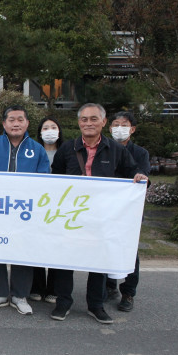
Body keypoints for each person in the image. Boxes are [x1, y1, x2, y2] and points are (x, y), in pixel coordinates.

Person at [50, 103, 148, 324]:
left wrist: (140, 177)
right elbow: (54, 179)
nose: (88, 123)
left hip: (102, 217)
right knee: (65, 261)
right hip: (71, 217)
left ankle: (96, 305)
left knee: (98, 262)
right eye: (84, 119)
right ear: (79, 123)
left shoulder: (117, 150)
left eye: (94, 119)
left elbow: (133, 172)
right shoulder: (67, 148)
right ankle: (63, 303)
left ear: (104, 122)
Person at [0, 105, 50, 316]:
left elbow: (46, 179)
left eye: (20, 119)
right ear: (4, 123)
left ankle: (20, 295)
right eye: (11, 120)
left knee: (23, 250)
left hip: (25, 211)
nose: (16, 123)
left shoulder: (38, 149)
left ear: (27, 123)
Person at [106, 111, 151, 312]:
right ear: (109, 127)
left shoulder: (140, 153)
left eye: (124, 125)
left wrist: (141, 178)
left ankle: (128, 292)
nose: (119, 128)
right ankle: (108, 287)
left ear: (132, 129)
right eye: (115, 124)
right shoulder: (105, 149)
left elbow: (143, 178)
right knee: (106, 246)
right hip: (107, 208)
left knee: (129, 250)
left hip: (129, 211)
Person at [29, 116, 64, 304]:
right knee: (37, 246)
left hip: (59, 206)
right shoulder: (33, 151)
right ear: (40, 132)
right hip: (38, 206)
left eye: (53, 126)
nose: (50, 131)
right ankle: (37, 287)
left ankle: (54, 289)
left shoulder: (67, 151)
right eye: (45, 127)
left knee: (56, 246)